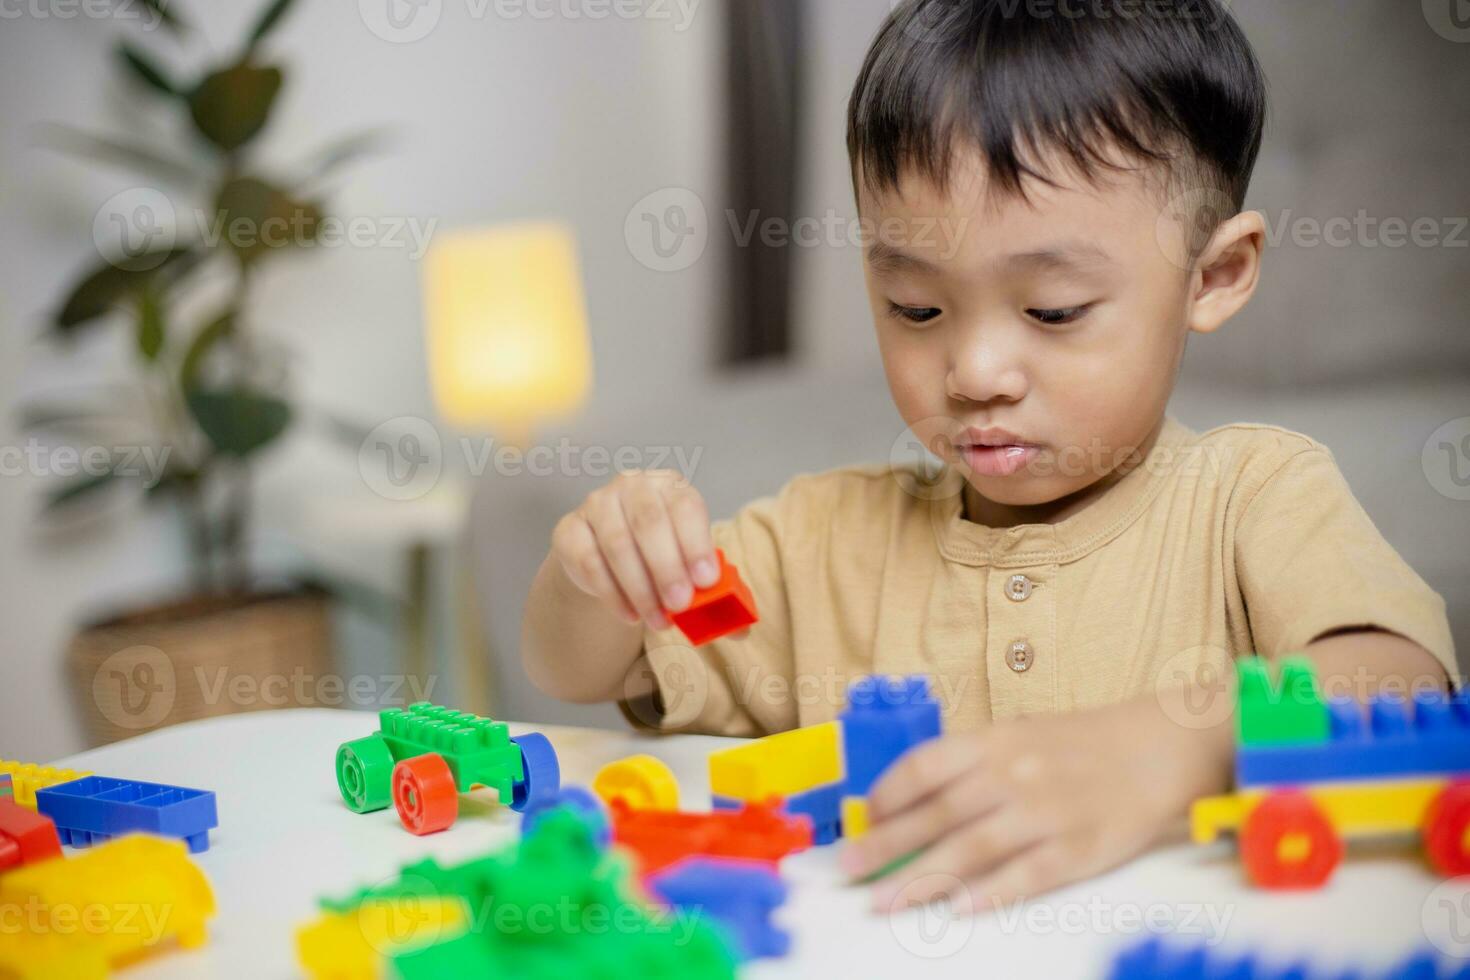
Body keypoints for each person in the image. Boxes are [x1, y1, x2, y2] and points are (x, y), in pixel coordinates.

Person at [521, 0, 1456, 912]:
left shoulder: (1251, 496)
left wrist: (1165, 749)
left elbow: (1401, 688)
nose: (973, 371)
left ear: (1213, 276)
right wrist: (597, 573)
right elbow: (584, 670)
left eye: (1052, 310)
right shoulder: (821, 542)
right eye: (916, 310)